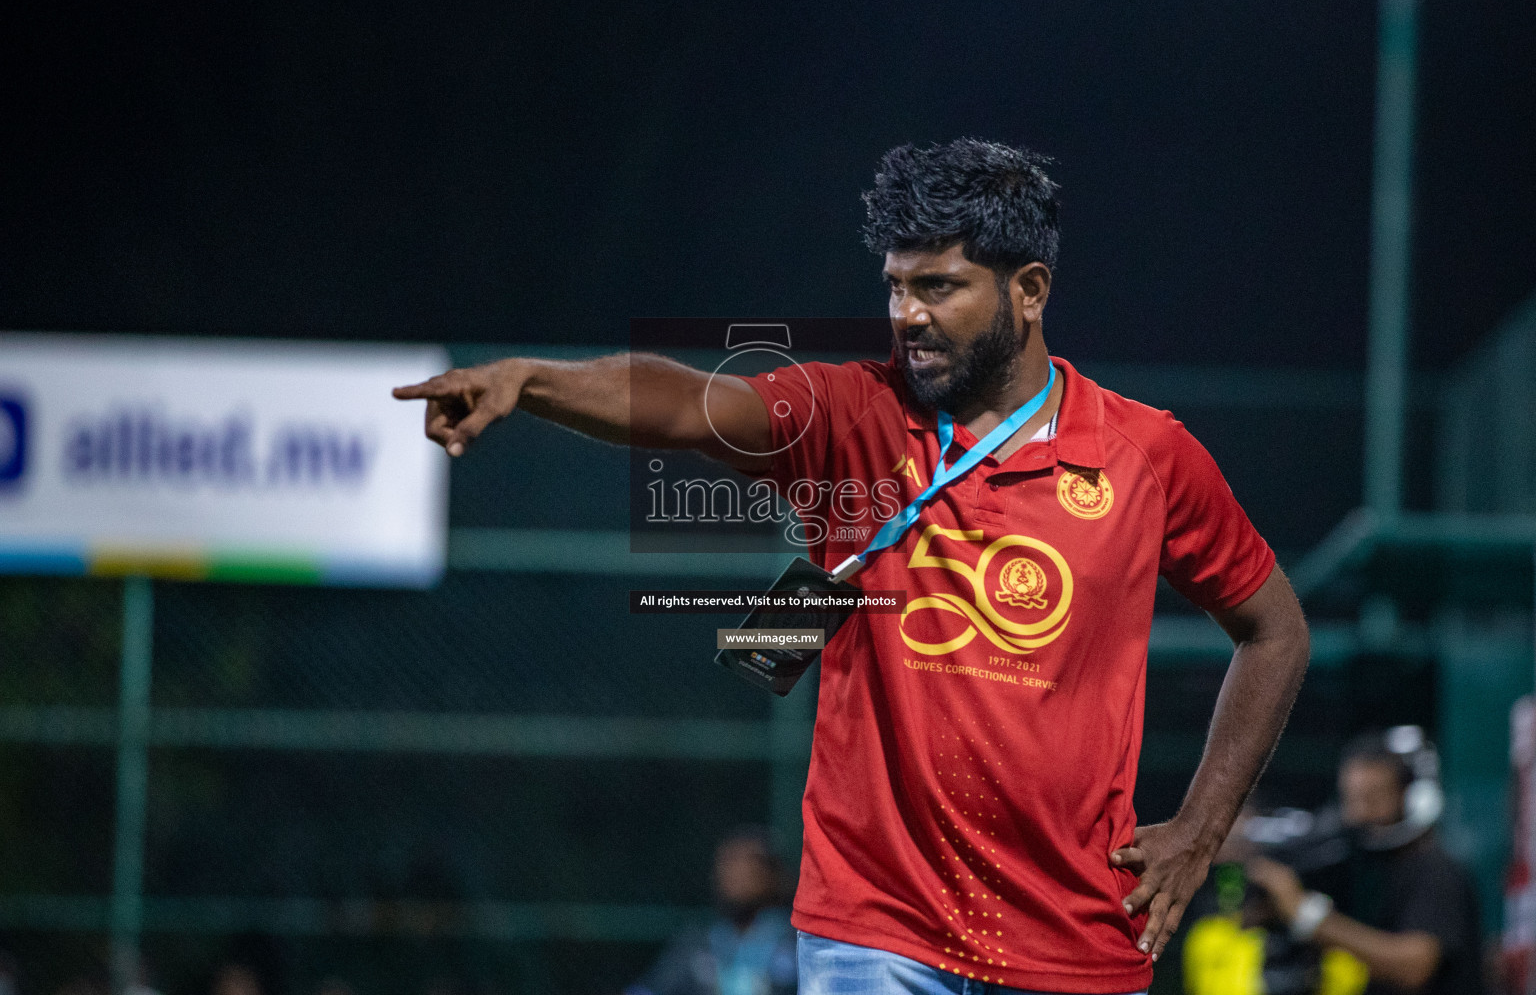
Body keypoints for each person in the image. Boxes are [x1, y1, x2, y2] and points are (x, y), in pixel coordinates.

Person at [394, 138, 1311, 993]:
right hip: (874, 930)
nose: (907, 314)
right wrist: (531, 379)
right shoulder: (849, 416)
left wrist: (1199, 830)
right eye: (895, 286)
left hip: (1074, 936)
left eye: (940, 287)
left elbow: (1274, 630)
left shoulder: (1145, 456)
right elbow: (684, 404)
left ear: (1029, 289)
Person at [1244, 728, 1483, 995]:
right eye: (1351, 799)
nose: (1357, 814)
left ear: (1414, 797)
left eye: (1373, 798)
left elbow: (1414, 967)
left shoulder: (1437, 872)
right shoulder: (1372, 868)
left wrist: (1304, 914)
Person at [624, 828, 797, 995]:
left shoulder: (797, 941)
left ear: (773, 875)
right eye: (727, 863)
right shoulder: (697, 943)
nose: (732, 874)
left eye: (747, 863)